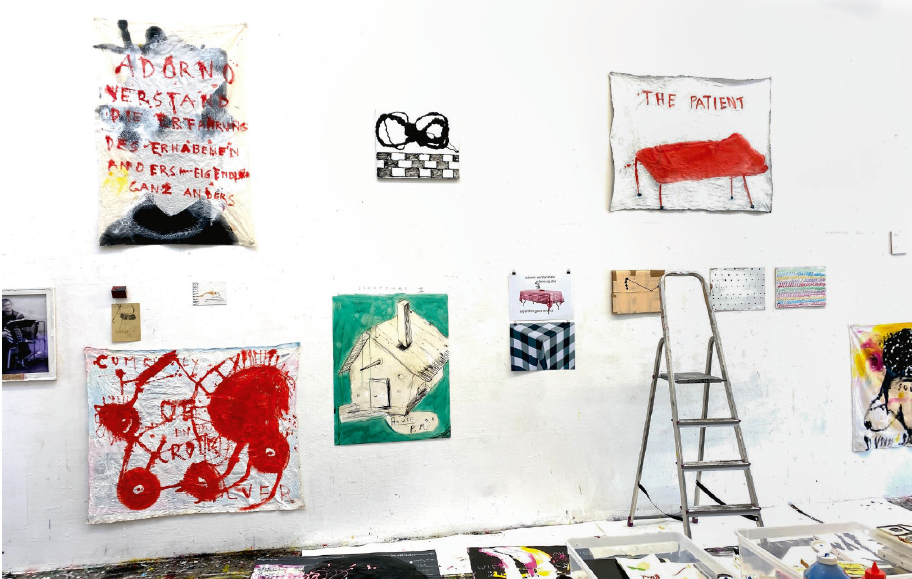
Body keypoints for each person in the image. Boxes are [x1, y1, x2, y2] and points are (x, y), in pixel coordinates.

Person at [2, 299, 30, 372]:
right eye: (5, 305)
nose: (7, 307)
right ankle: (4, 367)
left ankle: (16, 360)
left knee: (26, 349)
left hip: (17, 336)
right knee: (3, 346)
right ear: (2, 307)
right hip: (5, 337)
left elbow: (23, 328)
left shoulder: (18, 315)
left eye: (8, 305)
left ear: (11, 305)